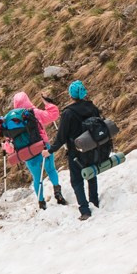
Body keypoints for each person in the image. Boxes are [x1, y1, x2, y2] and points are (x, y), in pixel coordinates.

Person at [53, 80, 116, 220]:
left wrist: (50, 150)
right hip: (93, 149)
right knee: (91, 174)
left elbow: (61, 137)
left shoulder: (68, 113)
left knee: (76, 181)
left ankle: (85, 210)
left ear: (71, 95)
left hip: (76, 152)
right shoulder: (92, 107)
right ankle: (94, 201)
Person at [0, 91, 65, 208]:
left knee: (36, 177)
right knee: (51, 170)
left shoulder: (11, 121)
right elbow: (53, 115)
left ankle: (41, 202)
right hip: (42, 147)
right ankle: (57, 192)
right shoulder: (34, 113)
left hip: (27, 154)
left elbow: (10, 147)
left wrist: (5, 147)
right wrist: (48, 103)